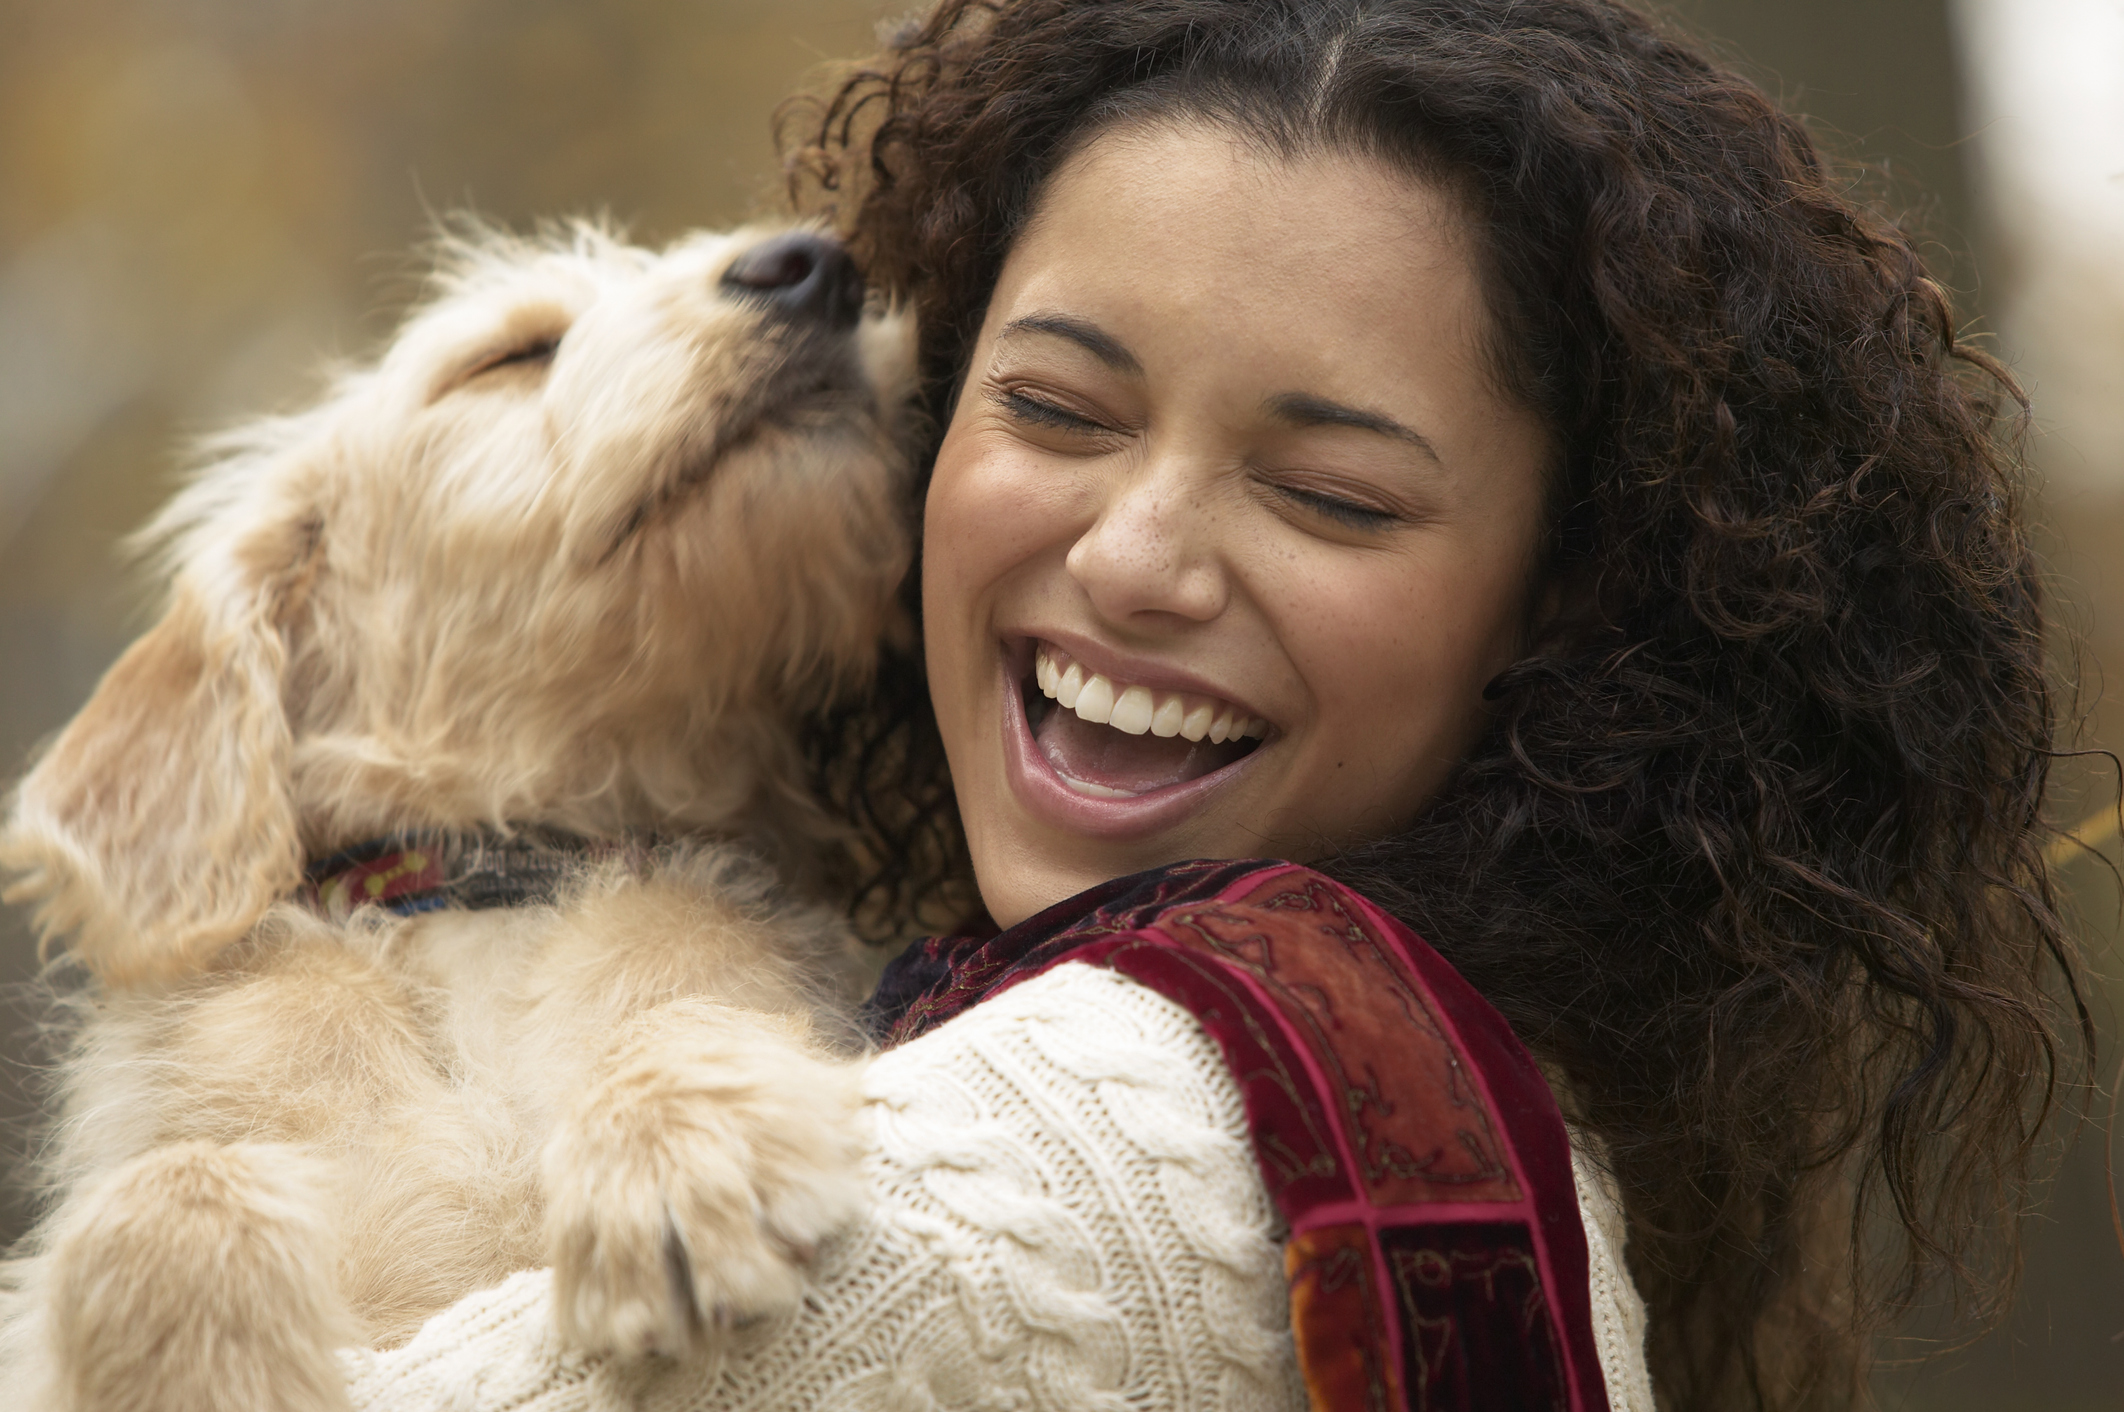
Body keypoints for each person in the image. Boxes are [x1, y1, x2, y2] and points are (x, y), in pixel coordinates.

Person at [342, 1, 2088, 1409]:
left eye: (1331, 495)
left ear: (1564, 604)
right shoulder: (1480, 1104)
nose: (1137, 559)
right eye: (1056, 410)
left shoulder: (1059, 1155)